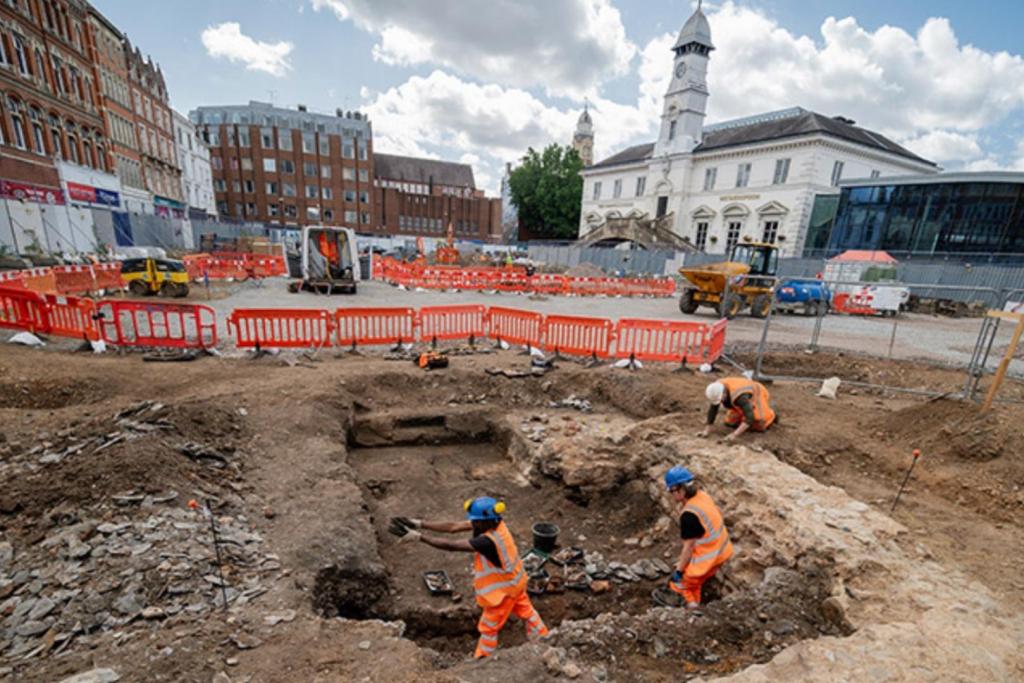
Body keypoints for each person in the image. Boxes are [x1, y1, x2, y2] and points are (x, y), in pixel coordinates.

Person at [388, 497, 548, 658]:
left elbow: (452, 546)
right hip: (516, 582)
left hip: (502, 594)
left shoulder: (488, 541)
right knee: (528, 612)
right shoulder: (495, 524)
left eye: (475, 521)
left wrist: (420, 538)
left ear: (485, 521)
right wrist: (419, 523)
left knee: (489, 628)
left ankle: (483, 659)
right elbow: (453, 527)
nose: (473, 524)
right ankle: (545, 641)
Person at [653, 466, 734, 610]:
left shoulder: (689, 515)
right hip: (723, 549)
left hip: (709, 558)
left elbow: (688, 547)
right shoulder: (703, 496)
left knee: (681, 584)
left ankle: (693, 611)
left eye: (672, 491)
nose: (671, 495)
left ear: (679, 489)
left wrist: (678, 571)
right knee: (694, 582)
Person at [697, 378, 776, 442]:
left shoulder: (740, 397)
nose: (720, 402)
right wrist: (706, 431)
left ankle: (771, 416)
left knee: (759, 422)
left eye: (721, 399)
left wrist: (734, 435)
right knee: (730, 422)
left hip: (756, 392)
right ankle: (744, 411)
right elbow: (713, 409)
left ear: (724, 393)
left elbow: (749, 417)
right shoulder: (717, 389)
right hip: (740, 398)